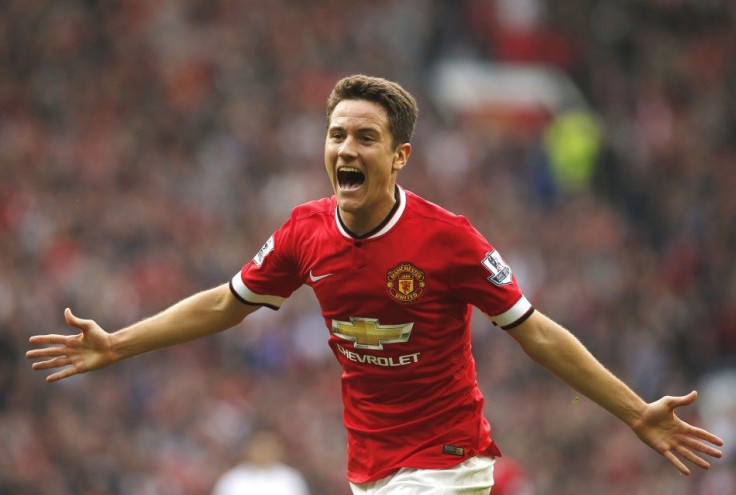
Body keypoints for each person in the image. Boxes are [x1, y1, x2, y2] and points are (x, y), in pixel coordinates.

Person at [27, 74, 723, 494]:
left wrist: (634, 410)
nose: (345, 149)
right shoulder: (304, 233)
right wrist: (117, 343)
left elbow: (534, 329)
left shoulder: (449, 238)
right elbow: (223, 303)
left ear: (400, 154)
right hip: (371, 467)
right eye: (336, 135)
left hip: (450, 461)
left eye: (364, 136)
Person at [211, 430, 310, 495]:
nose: (263, 452)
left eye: (267, 447)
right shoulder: (233, 479)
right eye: (259, 447)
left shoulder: (290, 478)